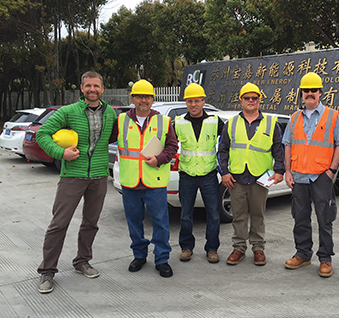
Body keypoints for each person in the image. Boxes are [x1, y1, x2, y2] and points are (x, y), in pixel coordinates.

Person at [36, 71, 117, 294]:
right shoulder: (69, 111)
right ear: (82, 88)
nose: (92, 89)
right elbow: (42, 134)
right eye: (88, 86)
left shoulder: (110, 114)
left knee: (90, 223)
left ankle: (82, 261)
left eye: (96, 86)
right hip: (72, 176)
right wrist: (61, 153)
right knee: (59, 224)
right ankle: (47, 271)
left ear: (103, 89)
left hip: (98, 177)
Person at [112, 79, 178, 278]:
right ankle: (139, 255)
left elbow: (172, 147)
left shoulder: (163, 121)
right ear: (132, 98)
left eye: (147, 96)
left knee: (160, 221)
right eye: (139, 96)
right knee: (134, 221)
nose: (143, 100)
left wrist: (159, 159)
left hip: (154, 181)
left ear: (153, 99)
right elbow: (105, 139)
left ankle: (162, 259)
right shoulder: (121, 120)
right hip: (130, 181)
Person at [283, 72, 339, 278]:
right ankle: (303, 254)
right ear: (301, 94)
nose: (310, 94)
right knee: (300, 217)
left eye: (314, 91)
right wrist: (288, 171)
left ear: (320, 93)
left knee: (324, 218)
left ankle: (325, 258)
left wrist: (331, 172)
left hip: (321, 176)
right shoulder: (293, 117)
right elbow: (288, 146)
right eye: (306, 91)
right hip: (299, 177)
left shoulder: (333, 116)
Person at [219, 82, 285, 266]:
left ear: (259, 101)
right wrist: (224, 172)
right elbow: (222, 149)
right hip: (237, 177)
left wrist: (280, 171)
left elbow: (278, 150)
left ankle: (258, 248)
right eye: (247, 98)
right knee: (238, 215)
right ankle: (239, 248)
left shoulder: (271, 123)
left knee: (258, 214)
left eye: (254, 98)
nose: (250, 101)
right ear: (241, 101)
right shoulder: (231, 123)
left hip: (260, 177)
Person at [174, 83, 224, 263]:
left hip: (209, 175)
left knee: (214, 214)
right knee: (186, 215)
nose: (193, 104)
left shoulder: (215, 122)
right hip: (187, 174)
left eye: (197, 101)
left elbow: (226, 145)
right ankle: (186, 247)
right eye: (189, 101)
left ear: (204, 102)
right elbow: (169, 145)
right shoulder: (178, 122)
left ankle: (212, 249)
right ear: (185, 102)